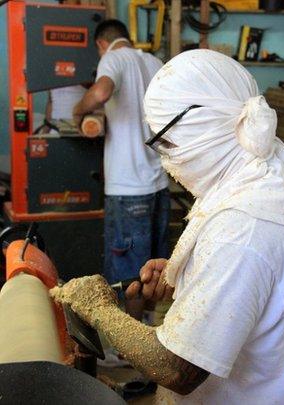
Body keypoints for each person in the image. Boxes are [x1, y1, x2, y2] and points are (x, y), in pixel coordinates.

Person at [51, 49, 284, 404]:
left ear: (203, 124)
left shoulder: (243, 228)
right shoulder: (265, 168)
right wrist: (188, 273)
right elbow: (262, 282)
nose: (166, 157)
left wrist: (98, 308)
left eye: (166, 143)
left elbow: (175, 368)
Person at [72, 20, 169, 320]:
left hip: (129, 189)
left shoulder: (113, 59)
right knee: (154, 268)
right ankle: (149, 328)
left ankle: (123, 344)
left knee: (128, 272)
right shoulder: (154, 62)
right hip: (159, 184)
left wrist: (79, 111)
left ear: (102, 43)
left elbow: (101, 92)